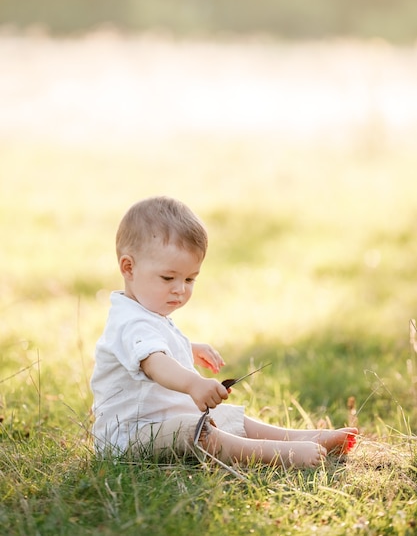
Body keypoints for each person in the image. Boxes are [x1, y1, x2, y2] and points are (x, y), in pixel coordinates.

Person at [91, 196, 357, 468]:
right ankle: (279, 454)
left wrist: (189, 349)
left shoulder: (145, 312)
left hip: (159, 422)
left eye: (190, 279)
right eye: (168, 278)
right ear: (129, 267)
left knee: (228, 417)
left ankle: (304, 437)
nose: (180, 289)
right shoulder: (129, 321)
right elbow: (155, 363)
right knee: (195, 432)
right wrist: (193, 384)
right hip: (130, 437)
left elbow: (153, 346)